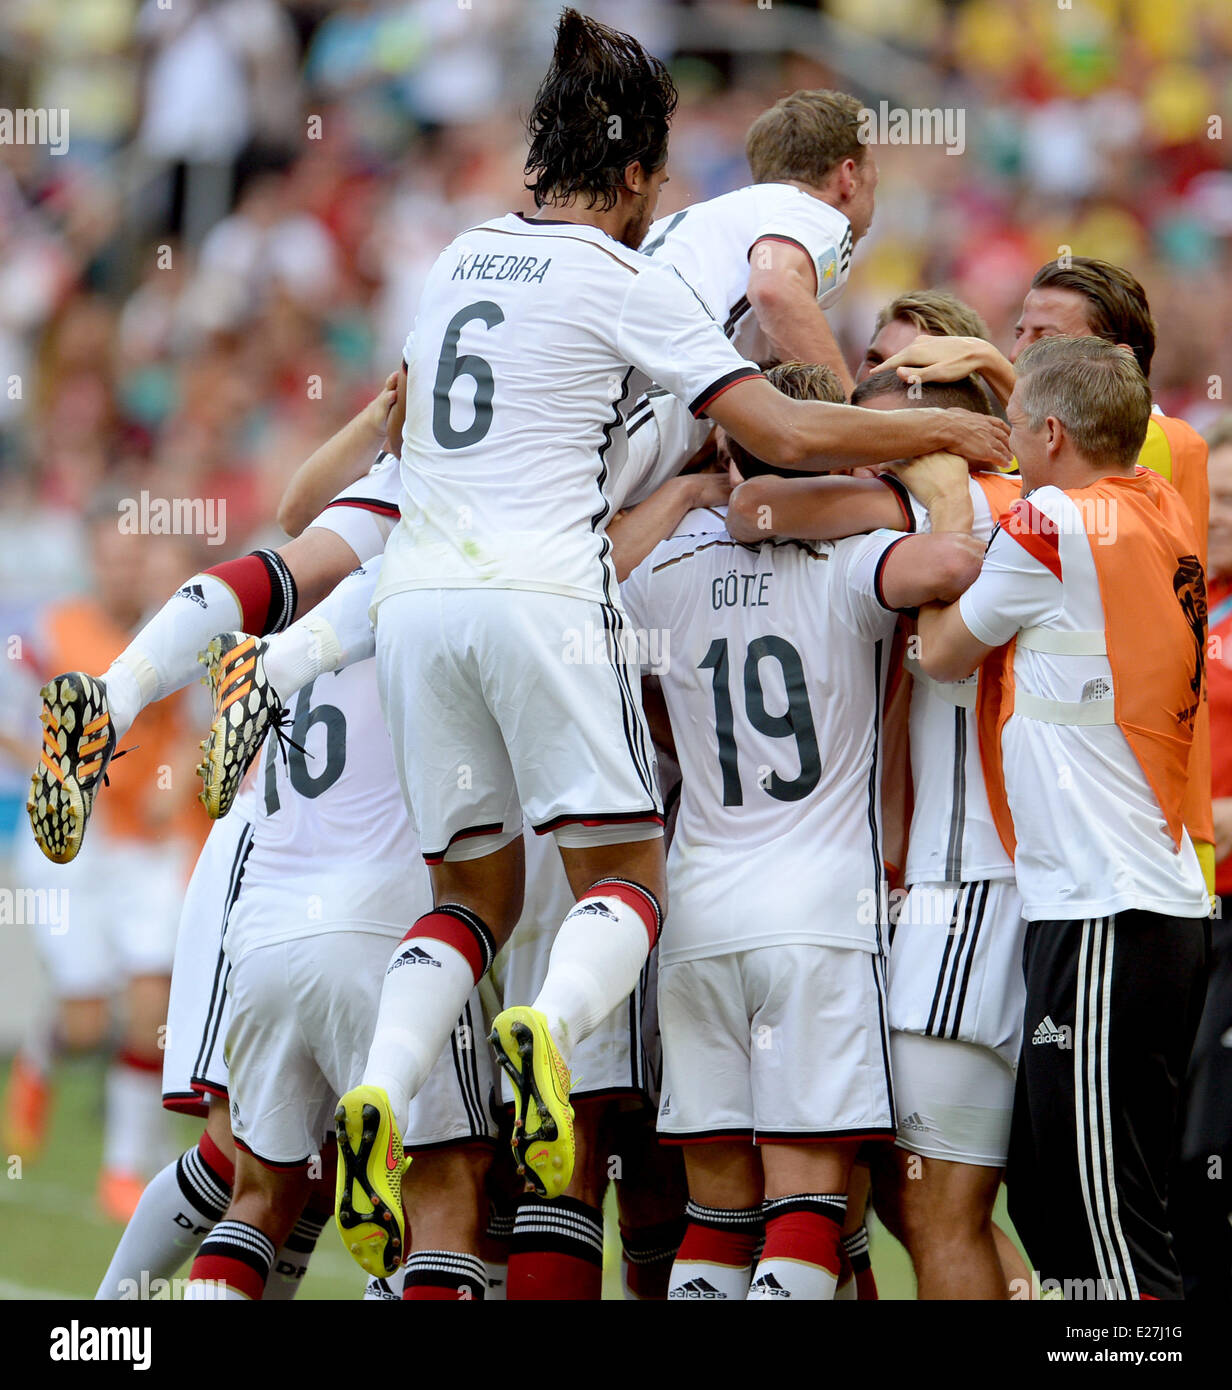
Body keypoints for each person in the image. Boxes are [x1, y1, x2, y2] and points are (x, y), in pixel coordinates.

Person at [265, 8, 1004, 1282]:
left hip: (415, 608)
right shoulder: (629, 279)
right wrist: (933, 445)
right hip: (545, 598)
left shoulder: (450, 260)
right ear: (631, 174)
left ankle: (382, 1086)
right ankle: (548, 1031)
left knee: (470, 903)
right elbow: (782, 425)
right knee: (627, 878)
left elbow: (340, 487)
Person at [621, 361, 988, 1299]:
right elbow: (959, 565)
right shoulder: (858, 557)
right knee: (807, 1206)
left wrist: (690, 492)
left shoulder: (666, 568)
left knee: (715, 1212)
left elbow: (593, 603)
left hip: (696, 913)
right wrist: (924, 479)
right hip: (820, 916)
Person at [904, 336, 1210, 1299]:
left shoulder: (1053, 520)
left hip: (1103, 914)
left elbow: (945, 649)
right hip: (1128, 904)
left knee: (1110, 1240)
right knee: (1053, 1209)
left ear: (1048, 433)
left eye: (1016, 427)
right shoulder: (1157, 506)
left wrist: (946, 494)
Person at [728, 364, 1030, 1299]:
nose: (863, 443)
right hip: (1058, 892)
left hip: (962, 887)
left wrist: (916, 465)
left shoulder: (930, 509)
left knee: (933, 1211)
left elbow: (758, 512)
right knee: (1049, 1206)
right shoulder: (1063, 507)